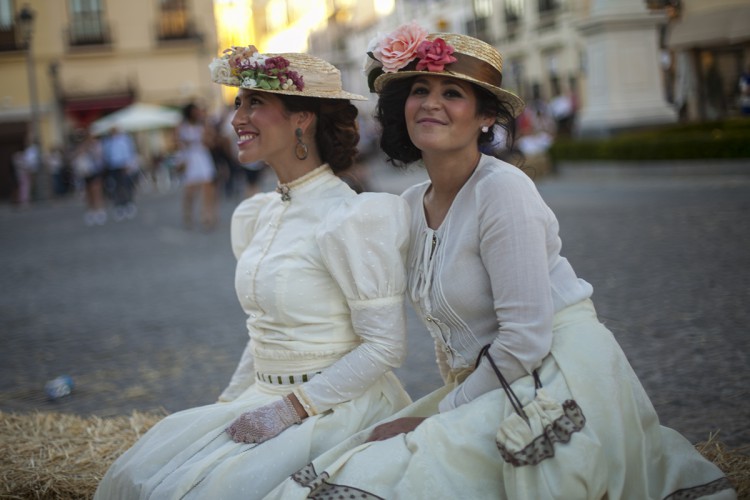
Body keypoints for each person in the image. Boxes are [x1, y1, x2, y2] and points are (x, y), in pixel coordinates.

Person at [267, 25, 736, 499]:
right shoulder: (408, 205)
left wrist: (441, 415)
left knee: (394, 471)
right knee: (355, 460)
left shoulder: (502, 190)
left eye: (452, 93)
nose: (430, 103)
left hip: (556, 377)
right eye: (419, 91)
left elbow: (526, 338)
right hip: (491, 383)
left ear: (485, 117)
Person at [94, 46, 413, 499]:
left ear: (302, 118)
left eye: (255, 103)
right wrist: (226, 406)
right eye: (238, 103)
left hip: (334, 409)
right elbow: (263, 330)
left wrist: (289, 410)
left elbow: (385, 345)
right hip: (262, 399)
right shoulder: (256, 213)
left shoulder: (350, 218)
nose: (236, 118)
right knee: (141, 477)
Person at [176, 102, 218, 230]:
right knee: (190, 191)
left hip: (202, 157)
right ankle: (188, 213)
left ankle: (207, 216)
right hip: (190, 159)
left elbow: (211, 142)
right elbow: (177, 143)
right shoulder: (181, 126)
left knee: (208, 189)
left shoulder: (203, 125)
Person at [101, 126, 138, 220]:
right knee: (116, 187)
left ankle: (128, 203)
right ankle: (119, 205)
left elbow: (129, 151)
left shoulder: (124, 139)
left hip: (123, 165)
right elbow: (106, 154)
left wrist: (128, 164)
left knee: (125, 185)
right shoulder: (107, 141)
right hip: (113, 166)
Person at [71, 129, 107, 225]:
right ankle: (91, 210)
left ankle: (99, 209)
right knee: (88, 192)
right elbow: (75, 156)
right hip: (85, 172)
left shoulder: (96, 145)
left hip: (95, 170)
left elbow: (100, 156)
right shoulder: (80, 146)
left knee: (96, 191)